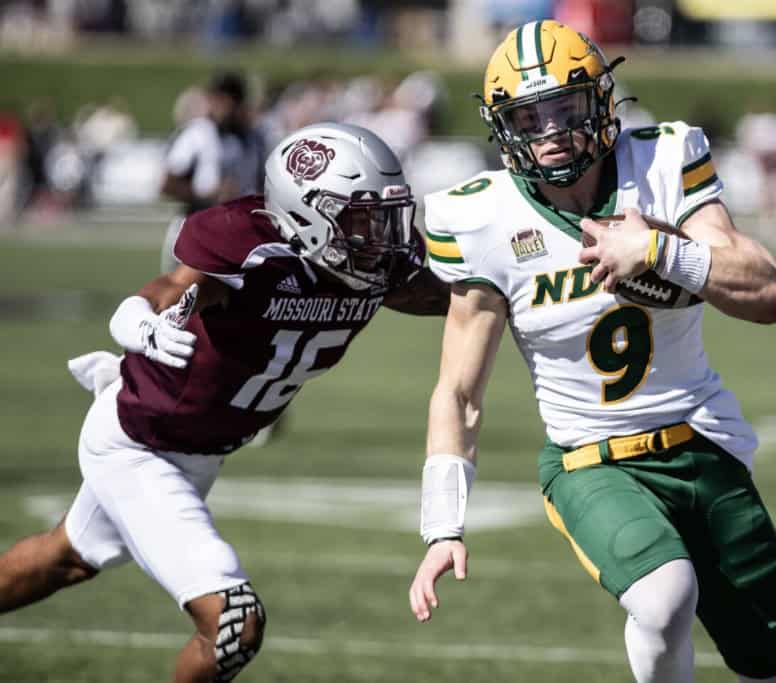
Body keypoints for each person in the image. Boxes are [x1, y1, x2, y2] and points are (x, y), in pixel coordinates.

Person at [408, 20, 776, 683]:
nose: (551, 130)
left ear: (602, 99)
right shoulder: (483, 219)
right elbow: (458, 391)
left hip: (702, 440)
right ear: (503, 128)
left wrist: (658, 249)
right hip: (590, 457)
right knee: (663, 595)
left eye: (565, 108)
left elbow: (769, 292)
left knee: (771, 659)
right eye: (528, 116)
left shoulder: (666, 162)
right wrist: (443, 524)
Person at [0, 123, 448, 683]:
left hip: (199, 452)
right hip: (141, 446)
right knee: (235, 622)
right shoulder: (251, 246)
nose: (381, 236)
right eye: (361, 218)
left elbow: (457, 297)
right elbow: (175, 287)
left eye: (385, 216)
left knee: (65, 557)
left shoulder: (374, 270)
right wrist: (139, 319)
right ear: (308, 215)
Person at [160, 70, 267, 273]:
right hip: (197, 228)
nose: (223, 107)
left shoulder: (255, 138)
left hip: (239, 231)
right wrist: (208, 197)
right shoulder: (197, 133)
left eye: (229, 100)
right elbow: (168, 183)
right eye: (218, 99)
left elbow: (261, 182)